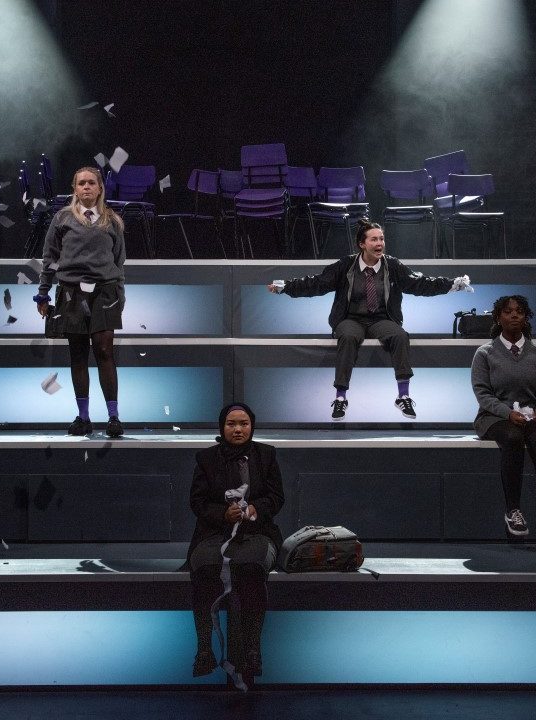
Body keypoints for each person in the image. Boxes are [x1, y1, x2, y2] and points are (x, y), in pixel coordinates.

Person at [267, 218, 471, 421]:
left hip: (381, 319)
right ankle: (340, 398)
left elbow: (419, 284)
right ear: (362, 244)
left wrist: (452, 284)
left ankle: (403, 395)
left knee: (400, 336)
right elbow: (316, 283)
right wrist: (286, 286)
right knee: (347, 337)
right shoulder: (346, 265)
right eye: (374, 240)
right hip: (350, 319)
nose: (379, 244)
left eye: (381, 239)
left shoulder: (392, 265)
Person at [187, 403, 284, 688]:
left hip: (258, 532)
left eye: (243, 423)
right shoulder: (206, 458)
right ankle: (204, 649)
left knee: (252, 569)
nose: (238, 429)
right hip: (213, 534)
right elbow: (197, 502)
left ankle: (252, 650)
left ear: (252, 426)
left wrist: (254, 508)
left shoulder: (266, 455)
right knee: (204, 568)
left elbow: (276, 498)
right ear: (222, 427)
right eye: (231, 424)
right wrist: (222, 514)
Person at [35, 167, 127, 438]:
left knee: (104, 351)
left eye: (91, 183)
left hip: (105, 291)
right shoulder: (62, 218)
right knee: (78, 354)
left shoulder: (112, 221)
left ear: (100, 188)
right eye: (81, 183)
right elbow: (50, 257)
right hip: (71, 291)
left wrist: (120, 295)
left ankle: (113, 417)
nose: (86, 187)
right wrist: (43, 292)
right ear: (74, 188)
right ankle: (83, 417)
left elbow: (119, 261)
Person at [470, 294, 536, 539]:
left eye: (519, 311)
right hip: (494, 417)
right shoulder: (485, 353)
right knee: (511, 438)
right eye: (508, 311)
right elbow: (482, 393)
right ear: (499, 317)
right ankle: (513, 511)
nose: (514, 316)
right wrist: (508, 413)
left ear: (526, 317)